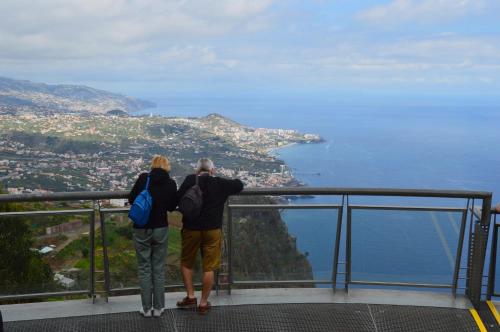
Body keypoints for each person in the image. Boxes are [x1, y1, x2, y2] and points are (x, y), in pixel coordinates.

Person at [176, 158, 244, 314]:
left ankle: (191, 296)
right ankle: (203, 303)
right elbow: (239, 185)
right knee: (209, 267)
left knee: (186, 263)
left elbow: (178, 199)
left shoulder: (189, 180)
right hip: (212, 230)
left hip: (191, 228)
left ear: (197, 171)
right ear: (212, 170)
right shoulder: (220, 183)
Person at [128, 155, 177, 318]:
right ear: (166, 166)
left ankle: (146, 308)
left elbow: (131, 198)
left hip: (141, 228)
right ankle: (158, 308)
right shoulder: (170, 183)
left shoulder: (143, 178)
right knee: (158, 269)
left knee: (144, 268)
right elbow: (171, 206)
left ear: (153, 165)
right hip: (160, 228)